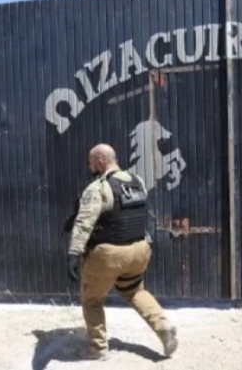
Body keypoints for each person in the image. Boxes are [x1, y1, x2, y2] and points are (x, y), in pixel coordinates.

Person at [66, 143, 178, 360]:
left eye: (91, 163)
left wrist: (74, 254)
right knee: (135, 291)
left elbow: (83, 223)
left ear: (100, 161)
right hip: (139, 250)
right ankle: (163, 327)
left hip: (109, 254)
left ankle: (97, 349)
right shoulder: (137, 182)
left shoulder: (98, 187)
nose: (89, 167)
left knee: (92, 299)